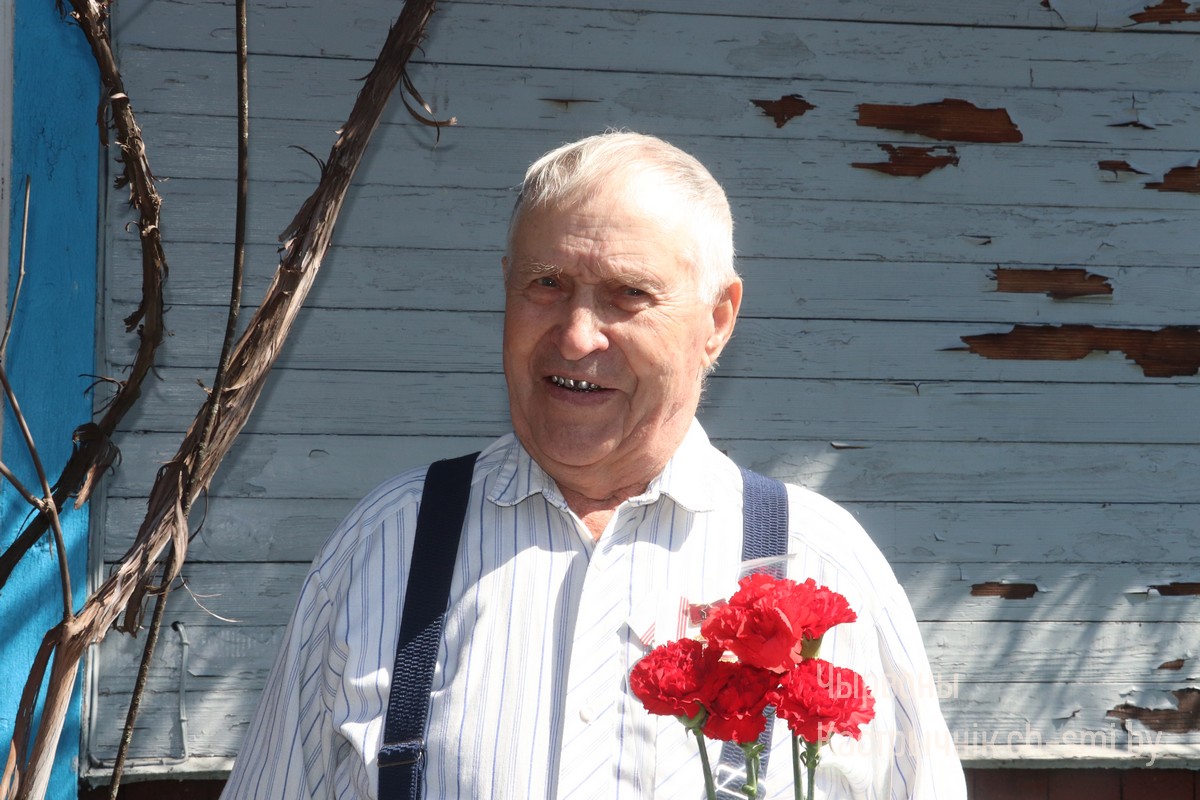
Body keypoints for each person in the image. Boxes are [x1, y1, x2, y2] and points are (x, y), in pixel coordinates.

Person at [220, 132, 966, 799]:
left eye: (628, 294)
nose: (577, 337)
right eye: (546, 284)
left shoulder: (822, 565)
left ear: (717, 320)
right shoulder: (386, 544)